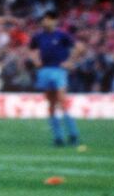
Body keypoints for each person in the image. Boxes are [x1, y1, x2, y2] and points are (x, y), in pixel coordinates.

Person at [29, 10, 81, 146]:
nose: (43, 22)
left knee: (62, 101)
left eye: (46, 19)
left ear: (54, 20)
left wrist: (70, 62)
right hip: (44, 70)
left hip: (58, 70)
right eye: (42, 19)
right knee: (51, 104)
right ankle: (58, 137)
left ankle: (73, 134)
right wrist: (35, 60)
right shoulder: (38, 36)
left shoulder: (62, 35)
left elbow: (79, 48)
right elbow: (31, 50)